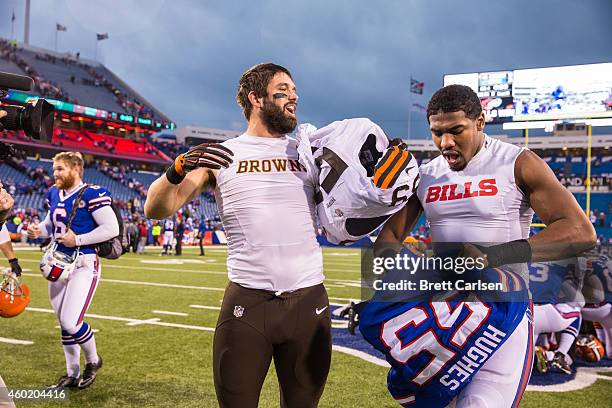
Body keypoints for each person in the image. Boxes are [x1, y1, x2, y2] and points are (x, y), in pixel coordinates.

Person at [369, 84, 596, 407]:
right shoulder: (425, 175)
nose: (445, 142)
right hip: (443, 317)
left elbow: (580, 231)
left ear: (480, 122)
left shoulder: (518, 162)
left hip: (503, 315)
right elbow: (386, 244)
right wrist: (414, 263)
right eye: (436, 133)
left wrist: (494, 257)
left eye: (455, 130)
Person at [144, 63, 331, 408]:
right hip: (248, 304)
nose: (295, 95)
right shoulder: (221, 155)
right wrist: (177, 169)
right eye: (284, 88)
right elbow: (156, 209)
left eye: (294, 89)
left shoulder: (308, 151)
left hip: (309, 302)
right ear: (256, 97)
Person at [27, 152, 119, 390]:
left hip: (84, 262)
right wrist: (39, 230)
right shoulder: (53, 192)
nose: (54, 173)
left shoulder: (92, 193)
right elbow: (51, 225)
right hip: (58, 261)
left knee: (71, 321)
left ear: (76, 169)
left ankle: (93, 360)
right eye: (54, 168)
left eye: (60, 169)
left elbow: (111, 228)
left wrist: (77, 238)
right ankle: (71, 373)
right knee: (63, 322)